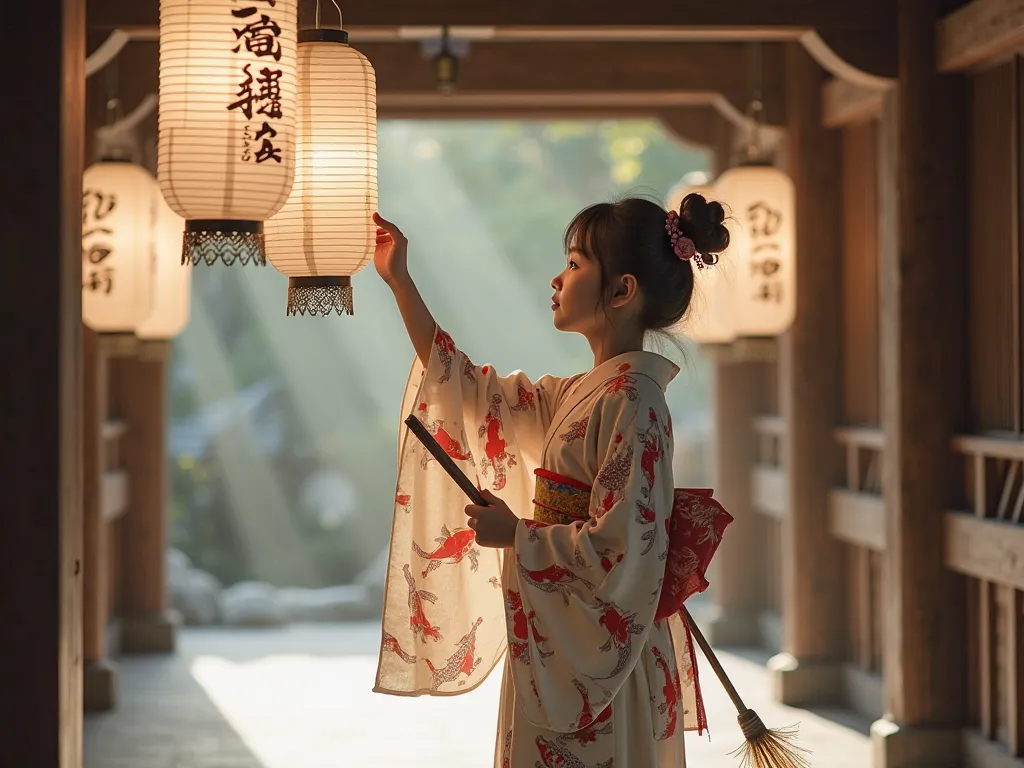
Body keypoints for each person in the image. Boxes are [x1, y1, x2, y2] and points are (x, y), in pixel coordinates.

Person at [372, 193, 732, 768]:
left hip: (602, 650)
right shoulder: (580, 395)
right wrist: (400, 283)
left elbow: (623, 546)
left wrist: (520, 536)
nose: (556, 278)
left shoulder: (634, 401)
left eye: (574, 263)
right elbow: (469, 389)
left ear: (621, 291)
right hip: (567, 633)